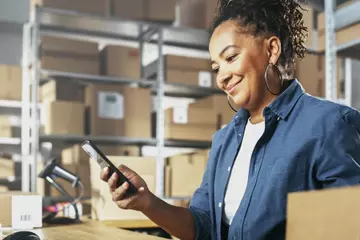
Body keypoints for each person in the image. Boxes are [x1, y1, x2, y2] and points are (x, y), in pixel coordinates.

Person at [100, 0, 360, 239]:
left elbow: (348, 227)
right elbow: (200, 226)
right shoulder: (224, 140)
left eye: (231, 57)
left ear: (271, 49)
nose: (221, 77)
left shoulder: (330, 124)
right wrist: (147, 202)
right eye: (216, 67)